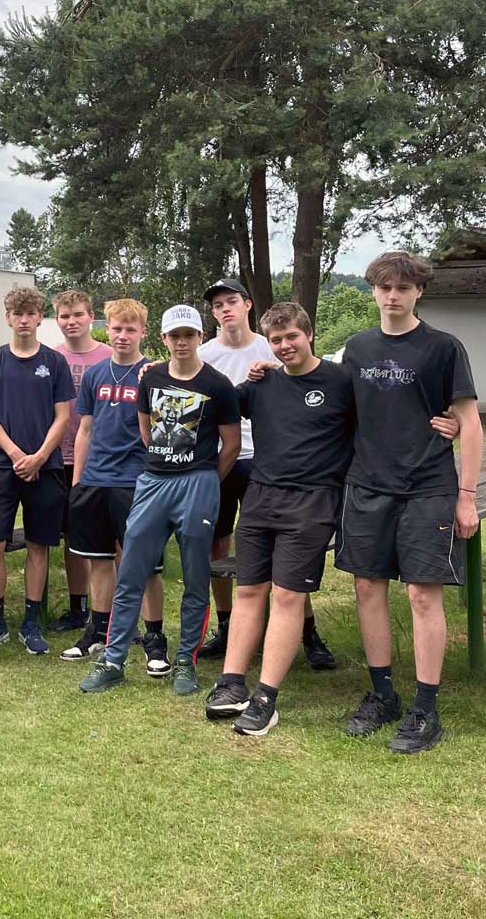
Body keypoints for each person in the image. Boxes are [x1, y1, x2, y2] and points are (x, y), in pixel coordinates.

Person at [335, 251, 481, 755]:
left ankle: (425, 708)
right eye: (384, 287)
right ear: (373, 291)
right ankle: (382, 694)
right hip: (367, 485)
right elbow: (330, 401)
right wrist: (268, 369)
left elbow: (470, 422)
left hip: (428, 486)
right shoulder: (356, 348)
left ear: (419, 291)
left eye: (402, 287)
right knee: (367, 587)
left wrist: (466, 496)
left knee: (422, 594)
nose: (392, 295)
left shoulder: (443, 348)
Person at [203, 303, 354, 733]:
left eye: (292, 337)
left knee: (287, 596)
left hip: (313, 501)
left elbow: (385, 418)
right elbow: (213, 402)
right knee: (249, 589)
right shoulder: (261, 384)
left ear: (310, 334)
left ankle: (266, 697)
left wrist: (448, 422)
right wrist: (158, 371)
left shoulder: (341, 381)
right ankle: (232, 683)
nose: (285, 346)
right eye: (276, 340)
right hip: (260, 498)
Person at [80, 304, 241, 696]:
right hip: (153, 481)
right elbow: (146, 430)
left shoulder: (218, 384)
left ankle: (186, 661)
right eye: (175, 336)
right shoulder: (150, 377)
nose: (182, 342)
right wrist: (164, 463)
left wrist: (206, 478)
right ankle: (113, 660)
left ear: (199, 337)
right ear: (164, 338)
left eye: (189, 335)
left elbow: (232, 444)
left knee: (195, 576)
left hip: (198, 484)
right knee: (131, 571)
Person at [196, 279, 335, 668]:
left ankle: (308, 632)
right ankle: (227, 626)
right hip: (222, 456)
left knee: (284, 551)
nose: (225, 309)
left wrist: (274, 366)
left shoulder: (270, 345)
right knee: (218, 543)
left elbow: (297, 376)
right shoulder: (204, 354)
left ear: (247, 305)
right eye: (218, 305)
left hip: (267, 460)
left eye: (231, 301)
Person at [61, 299, 167, 672]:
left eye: (130, 329)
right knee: (99, 562)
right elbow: (85, 430)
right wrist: (78, 481)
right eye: (117, 329)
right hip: (95, 480)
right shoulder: (95, 374)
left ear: (143, 332)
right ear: (107, 329)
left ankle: (154, 638)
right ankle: (98, 630)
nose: (123, 336)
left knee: (146, 565)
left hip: (136, 481)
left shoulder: (153, 374)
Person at [0, 286, 75, 656]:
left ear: (39, 317)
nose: (25, 320)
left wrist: (39, 457)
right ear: (8, 318)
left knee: (38, 544)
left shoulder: (55, 362)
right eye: (18, 314)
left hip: (45, 467)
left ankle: (31, 622)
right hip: (1, 466)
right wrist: (17, 454)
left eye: (31, 313)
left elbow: (63, 417)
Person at [50, 290, 110, 633]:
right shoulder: (51, 358)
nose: (71, 321)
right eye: (64, 316)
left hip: (102, 461)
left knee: (109, 540)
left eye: (77, 315)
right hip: (59, 458)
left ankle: (115, 609)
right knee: (72, 536)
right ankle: (78, 607)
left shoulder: (110, 355)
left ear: (91, 316)